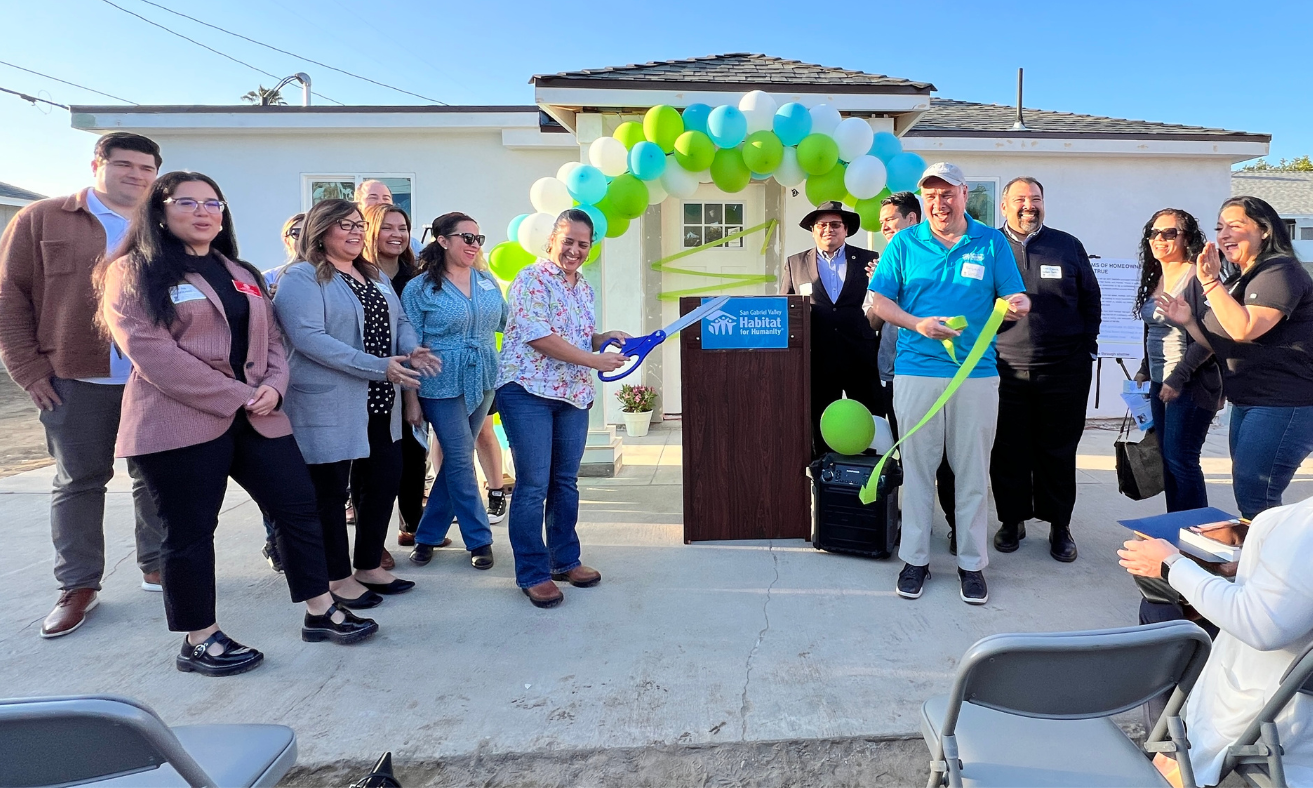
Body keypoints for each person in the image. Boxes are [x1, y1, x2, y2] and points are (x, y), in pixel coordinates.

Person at [98, 172, 376, 675]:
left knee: (298, 506)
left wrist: (273, 384)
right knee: (190, 531)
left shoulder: (239, 269)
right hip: (178, 420)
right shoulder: (135, 271)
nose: (204, 212)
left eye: (213, 203)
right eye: (188, 202)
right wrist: (242, 395)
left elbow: (270, 338)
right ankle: (199, 637)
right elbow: (153, 353)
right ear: (159, 212)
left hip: (258, 414)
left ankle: (320, 608)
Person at [0, 132, 167, 639]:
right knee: (78, 481)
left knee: (155, 478)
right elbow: (10, 297)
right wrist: (28, 371)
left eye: (146, 168)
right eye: (125, 165)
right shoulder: (42, 219)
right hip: (76, 379)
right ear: (98, 164)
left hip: (154, 381)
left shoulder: (163, 225)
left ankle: (159, 565)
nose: (136, 176)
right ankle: (78, 585)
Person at [866, 162, 1030, 605]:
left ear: (964, 194)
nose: (939, 203)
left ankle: (972, 566)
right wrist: (917, 324)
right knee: (917, 471)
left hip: (976, 374)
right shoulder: (904, 242)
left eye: (947, 193)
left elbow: (1013, 295)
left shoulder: (991, 241)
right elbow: (880, 301)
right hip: (917, 372)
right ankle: (916, 560)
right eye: (931, 195)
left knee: (972, 472)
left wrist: (1018, 303)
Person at [273, 199, 439, 609]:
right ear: (320, 229)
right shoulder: (302, 276)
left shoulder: (372, 274)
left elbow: (399, 321)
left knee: (383, 482)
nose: (355, 231)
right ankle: (336, 576)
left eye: (358, 225)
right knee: (329, 494)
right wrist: (377, 366)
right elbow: (310, 339)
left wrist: (410, 350)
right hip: (329, 403)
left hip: (381, 398)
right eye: (343, 225)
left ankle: (368, 565)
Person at [1118, 494, 1313, 787]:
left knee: (1159, 609)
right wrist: (1253, 561)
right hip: (1294, 688)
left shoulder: (1304, 527)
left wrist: (1172, 565)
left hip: (1277, 712)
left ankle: (1171, 756)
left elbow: (1259, 625)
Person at [495, 208, 630, 608]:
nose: (574, 250)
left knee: (565, 483)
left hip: (571, 394)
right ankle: (533, 573)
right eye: (567, 241)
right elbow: (538, 335)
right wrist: (594, 361)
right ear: (551, 240)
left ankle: (564, 559)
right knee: (533, 485)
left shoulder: (582, 285)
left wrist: (602, 338)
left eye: (583, 244)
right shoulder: (530, 279)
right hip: (527, 392)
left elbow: (576, 334)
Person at [1159, 196, 1313, 520]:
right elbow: (1219, 342)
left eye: (1235, 225)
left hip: (1283, 404)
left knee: (1257, 496)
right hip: (1248, 401)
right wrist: (1188, 320)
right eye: (1220, 227)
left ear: (1265, 230)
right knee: (1250, 495)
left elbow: (1244, 328)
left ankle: (1272, 567)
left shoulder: (1279, 271)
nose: (1225, 234)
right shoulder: (1242, 278)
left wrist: (1210, 282)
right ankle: (1258, 563)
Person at [989, 177, 1102, 562]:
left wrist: (1085, 348)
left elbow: (1091, 299)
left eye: (1035, 199)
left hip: (1064, 371)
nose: (1028, 206)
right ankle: (1011, 520)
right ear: (1004, 206)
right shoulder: (987, 246)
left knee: (1058, 451)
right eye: (1019, 199)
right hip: (1004, 369)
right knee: (1008, 451)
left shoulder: (1067, 245)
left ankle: (1059, 526)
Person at [402, 212, 508, 569]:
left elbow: (512, 323)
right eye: (466, 237)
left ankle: (428, 536)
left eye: (478, 238)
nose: (473, 245)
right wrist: (411, 398)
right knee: (461, 459)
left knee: (455, 463)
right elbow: (409, 346)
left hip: (483, 379)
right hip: (440, 382)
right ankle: (479, 539)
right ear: (443, 241)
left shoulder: (486, 281)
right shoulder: (419, 288)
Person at [871, 192, 958, 552]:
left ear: (911, 220)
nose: (885, 227)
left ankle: (957, 525)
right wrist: (877, 288)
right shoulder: (884, 262)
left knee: (949, 460)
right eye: (881, 223)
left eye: (889, 220)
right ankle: (913, 526)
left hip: (944, 372)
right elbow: (873, 321)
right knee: (911, 455)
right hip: (895, 373)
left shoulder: (931, 256)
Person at [1133, 209, 1224, 513]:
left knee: (1182, 460)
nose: (1160, 239)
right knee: (1168, 459)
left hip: (1191, 383)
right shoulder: (1156, 275)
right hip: (1162, 382)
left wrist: (1178, 376)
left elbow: (1212, 338)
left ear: (1188, 238)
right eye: (1154, 233)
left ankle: (1197, 536)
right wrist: (1147, 368)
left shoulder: (1198, 277)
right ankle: (1177, 530)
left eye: (1170, 233)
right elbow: (1154, 327)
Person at [779, 200, 884, 456]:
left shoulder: (871, 260)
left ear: (845, 230)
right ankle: (826, 482)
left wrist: (881, 279)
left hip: (861, 357)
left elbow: (881, 303)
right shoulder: (795, 263)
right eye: (822, 225)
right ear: (813, 230)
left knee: (872, 423)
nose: (829, 229)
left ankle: (875, 481)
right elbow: (785, 310)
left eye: (835, 224)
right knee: (821, 426)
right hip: (819, 360)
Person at [361, 203, 424, 566]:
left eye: (403, 227)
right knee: (374, 466)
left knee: (413, 457)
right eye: (388, 228)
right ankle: (374, 544)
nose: (397, 234)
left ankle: (412, 524)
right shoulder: (358, 274)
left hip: (409, 376)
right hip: (370, 379)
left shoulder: (413, 276)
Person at [356, 180, 423, 256]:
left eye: (386, 198)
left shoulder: (412, 245)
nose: (381, 202)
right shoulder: (352, 240)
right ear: (359, 204)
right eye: (373, 198)